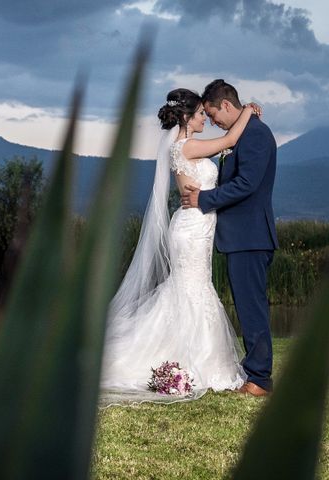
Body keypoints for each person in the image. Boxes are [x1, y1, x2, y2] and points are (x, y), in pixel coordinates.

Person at [101, 87, 260, 404]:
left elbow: (224, 148)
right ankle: (192, 363)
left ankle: (188, 359)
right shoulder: (185, 147)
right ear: (187, 117)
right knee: (191, 290)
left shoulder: (186, 147)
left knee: (191, 289)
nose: (206, 119)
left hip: (196, 226)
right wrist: (248, 111)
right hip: (191, 230)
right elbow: (229, 142)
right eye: (202, 114)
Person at [181, 79, 278, 397]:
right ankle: (256, 373)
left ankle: (260, 380)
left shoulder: (256, 135)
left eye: (211, 114)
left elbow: (247, 184)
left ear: (225, 105)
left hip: (250, 235)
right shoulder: (246, 131)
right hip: (241, 236)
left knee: (252, 308)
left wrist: (203, 200)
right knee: (248, 305)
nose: (211, 122)